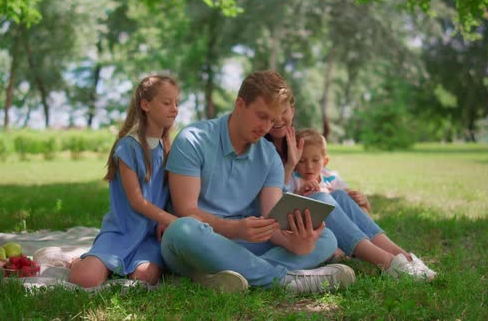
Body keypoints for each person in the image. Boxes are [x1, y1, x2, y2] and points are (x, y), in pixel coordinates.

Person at [160, 70, 356, 294]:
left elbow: (272, 218)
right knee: (181, 230)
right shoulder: (194, 139)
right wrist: (234, 229)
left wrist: (297, 242)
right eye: (261, 116)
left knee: (326, 237)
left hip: (246, 244)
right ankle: (284, 280)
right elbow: (187, 211)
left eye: (272, 120)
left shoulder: (269, 155)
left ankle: (218, 277)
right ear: (240, 104)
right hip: (200, 241)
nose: (266, 127)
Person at [283, 127, 437, 281]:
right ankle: (389, 263)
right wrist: (302, 193)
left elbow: (353, 208)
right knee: (323, 197)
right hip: (316, 234)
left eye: (315, 160)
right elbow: (285, 204)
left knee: (340, 195)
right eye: (302, 161)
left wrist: (363, 201)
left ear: (325, 161)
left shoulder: (329, 176)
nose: (309, 166)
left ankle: (403, 257)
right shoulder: (293, 179)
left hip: (340, 231)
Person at [69, 75, 180, 287]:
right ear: (145, 105)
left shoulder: (168, 148)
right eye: (167, 103)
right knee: (86, 279)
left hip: (149, 237)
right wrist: (171, 220)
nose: (174, 109)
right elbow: (137, 201)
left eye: (177, 103)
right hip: (121, 231)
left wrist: (165, 219)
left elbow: (169, 192)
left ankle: (112, 264)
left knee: (145, 277)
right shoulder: (128, 147)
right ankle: (79, 262)